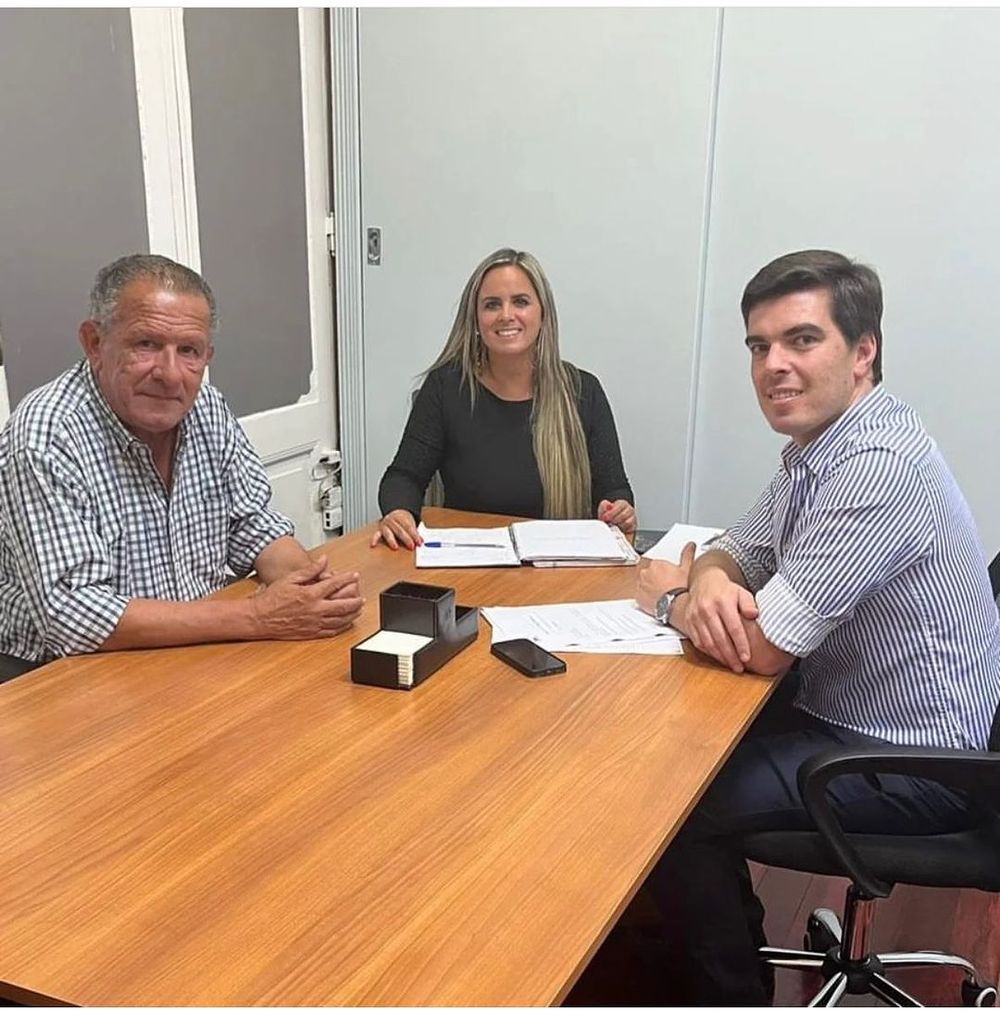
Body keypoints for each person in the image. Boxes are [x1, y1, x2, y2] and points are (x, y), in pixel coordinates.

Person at [634, 249, 1000, 1005]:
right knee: (666, 742)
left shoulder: (876, 466)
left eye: (801, 340)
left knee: (670, 801)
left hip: (918, 762)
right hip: (847, 712)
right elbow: (737, 547)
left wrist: (673, 599)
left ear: (863, 352)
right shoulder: (820, 448)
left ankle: (732, 994)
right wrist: (708, 578)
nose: (774, 365)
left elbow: (762, 649)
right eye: (759, 346)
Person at [0, 253, 363, 676]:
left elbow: (252, 525)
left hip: (191, 642)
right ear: (95, 343)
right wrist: (258, 617)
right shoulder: (44, 437)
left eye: (188, 351)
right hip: (62, 673)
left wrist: (311, 591)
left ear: (207, 355)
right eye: (146, 344)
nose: (170, 374)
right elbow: (74, 616)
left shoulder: (205, 406)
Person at [372, 248, 635, 549]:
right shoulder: (446, 387)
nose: (506, 315)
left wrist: (619, 510)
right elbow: (403, 476)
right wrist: (399, 512)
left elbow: (615, 489)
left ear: (543, 314)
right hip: (471, 561)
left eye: (520, 302)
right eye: (492, 305)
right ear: (475, 319)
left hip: (558, 563)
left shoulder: (583, 392)